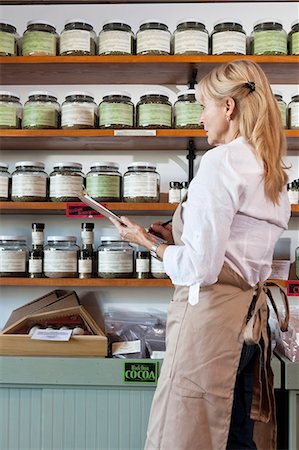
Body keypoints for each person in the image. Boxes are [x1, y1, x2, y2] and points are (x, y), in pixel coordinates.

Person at [109, 59, 290, 450]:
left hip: (210, 323)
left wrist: (148, 242)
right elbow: (235, 248)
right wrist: (175, 235)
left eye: (204, 105)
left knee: (185, 434)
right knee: (235, 434)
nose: (200, 117)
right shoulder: (270, 169)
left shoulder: (220, 163)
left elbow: (200, 269)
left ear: (229, 108)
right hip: (248, 328)